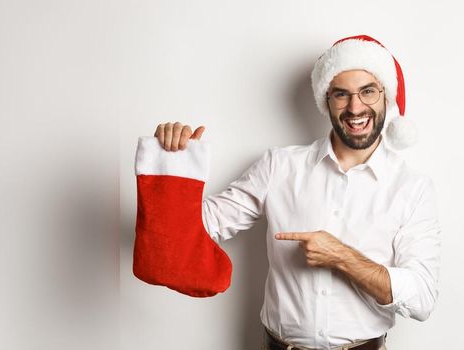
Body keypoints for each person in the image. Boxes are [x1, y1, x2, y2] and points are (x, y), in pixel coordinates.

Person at [154, 35, 441, 350]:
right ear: (325, 100)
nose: (355, 106)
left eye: (368, 91)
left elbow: (422, 298)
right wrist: (172, 170)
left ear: (386, 97)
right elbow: (197, 228)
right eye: (341, 94)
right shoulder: (279, 166)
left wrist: (343, 257)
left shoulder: (411, 188)